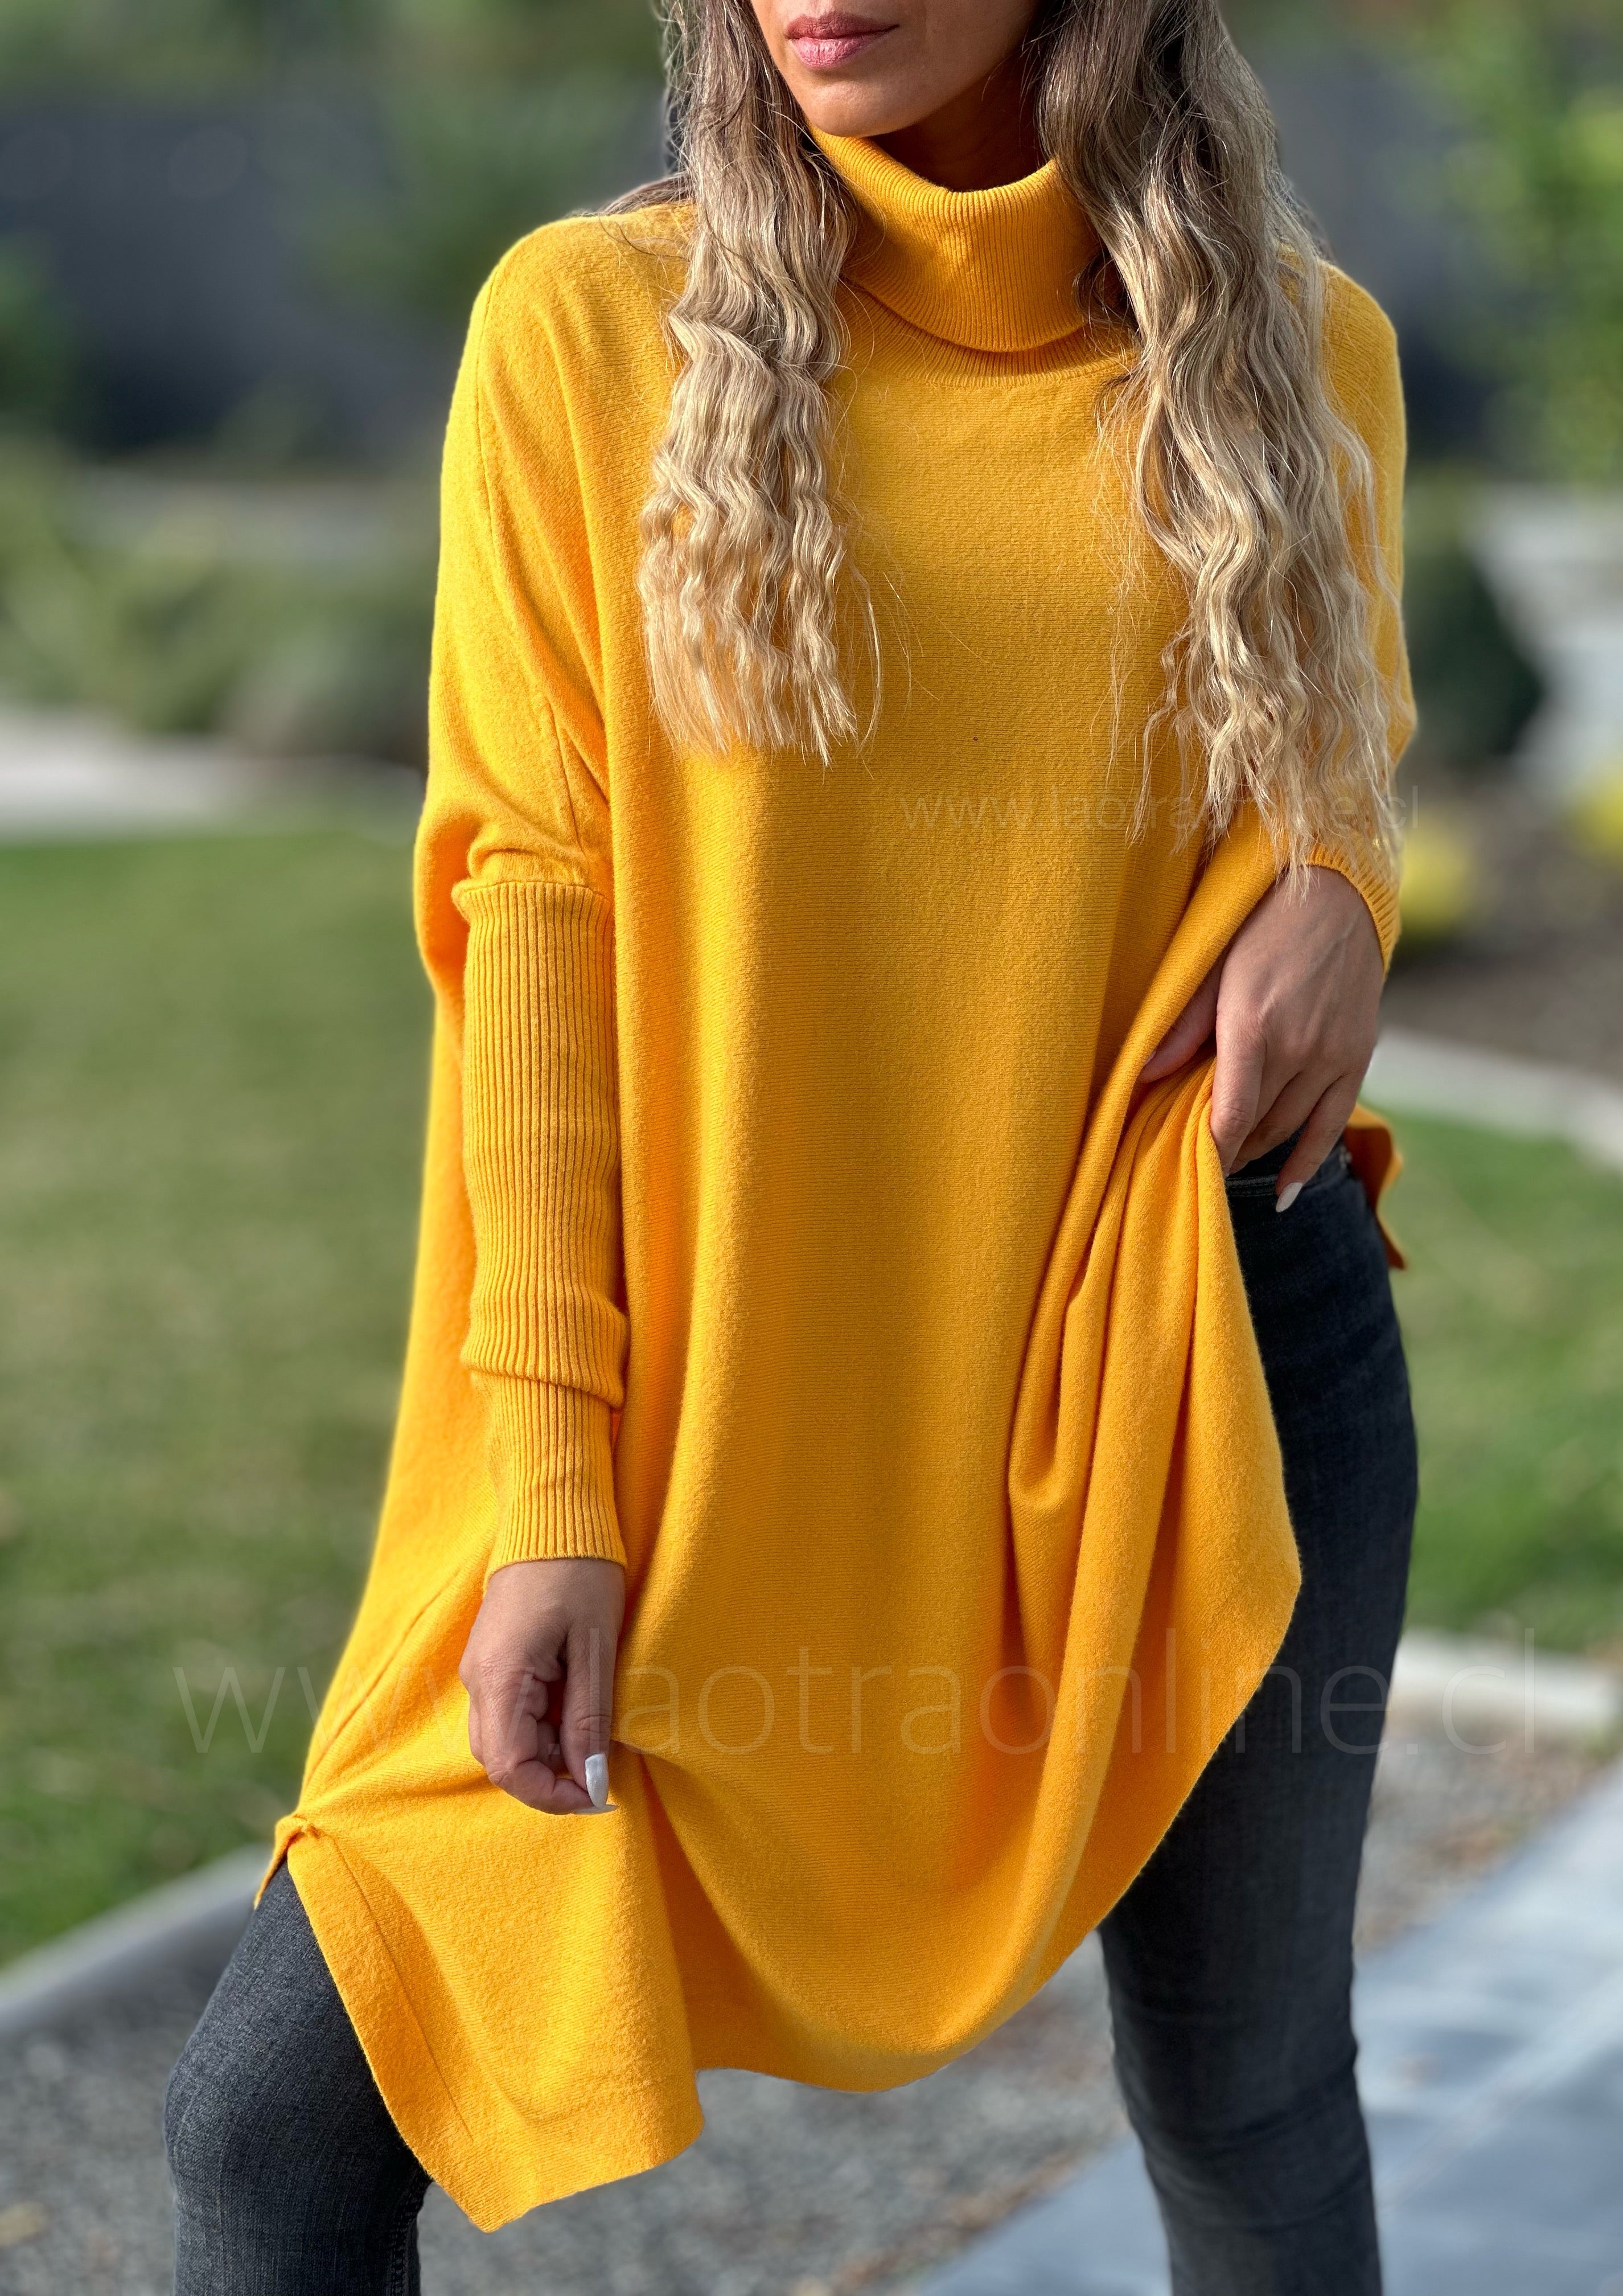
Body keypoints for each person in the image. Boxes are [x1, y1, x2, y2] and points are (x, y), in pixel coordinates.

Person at [164, 1, 1419, 2289]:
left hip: (1194, 1354)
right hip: (727, 1401)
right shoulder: (590, 327)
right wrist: (554, 1483)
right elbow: (530, 915)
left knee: (1249, 2104)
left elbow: (1332, 749)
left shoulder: (1302, 348)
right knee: (267, 2130)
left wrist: (1349, 886)